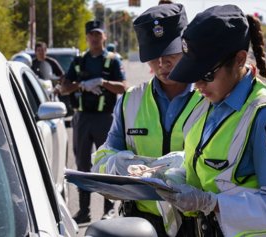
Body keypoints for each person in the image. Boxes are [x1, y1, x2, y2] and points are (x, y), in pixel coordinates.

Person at [154, 5, 266, 236]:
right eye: (193, 73)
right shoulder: (208, 102)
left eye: (207, 74)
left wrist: (211, 203)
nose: (198, 85)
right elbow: (203, 166)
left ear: (240, 60)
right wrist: (169, 174)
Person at [91, 3, 202, 237]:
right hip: (141, 225)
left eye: (169, 53)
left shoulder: (210, 97)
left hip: (198, 222)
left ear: (186, 46)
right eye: (153, 56)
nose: (161, 64)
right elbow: (104, 155)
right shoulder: (130, 100)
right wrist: (116, 167)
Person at [61, 20, 127, 224]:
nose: (95, 38)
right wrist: (81, 85)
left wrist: (102, 82)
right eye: (91, 34)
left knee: (106, 162)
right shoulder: (79, 60)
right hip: (82, 118)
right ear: (87, 37)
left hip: (105, 119)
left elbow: (123, 87)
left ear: (104, 37)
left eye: (98, 34)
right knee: (82, 164)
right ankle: (84, 211)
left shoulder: (113, 60)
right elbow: (64, 88)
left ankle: (109, 209)